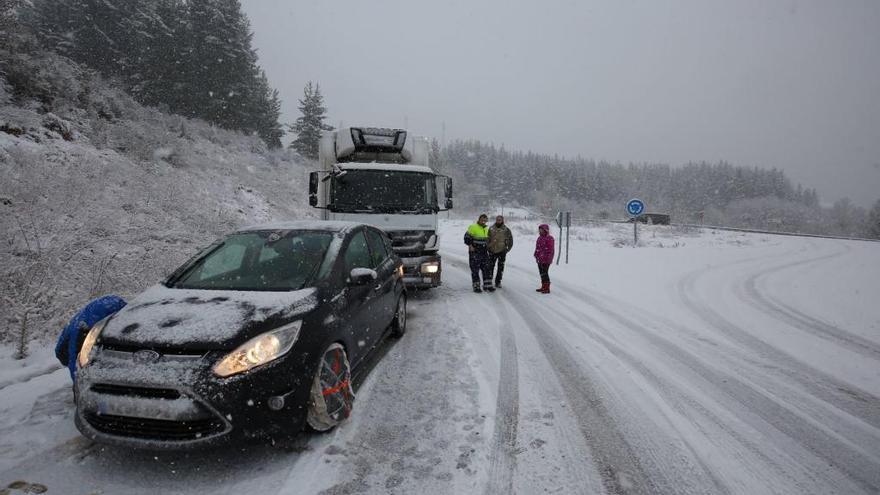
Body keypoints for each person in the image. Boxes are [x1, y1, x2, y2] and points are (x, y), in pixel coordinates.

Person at [55, 295, 127, 382]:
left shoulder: (77, 333)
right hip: (109, 303)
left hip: (102, 312)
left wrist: (76, 384)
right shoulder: (74, 326)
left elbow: (74, 366)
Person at [464, 214, 494, 292]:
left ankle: (487, 285)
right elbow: (466, 237)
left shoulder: (487, 229)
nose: (483, 221)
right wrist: (470, 245)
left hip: (484, 252)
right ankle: (476, 286)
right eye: (482, 220)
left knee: (487, 269)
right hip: (475, 252)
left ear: (486, 221)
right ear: (479, 219)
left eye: (485, 220)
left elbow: (489, 240)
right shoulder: (473, 227)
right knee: (475, 270)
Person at [487, 215, 513, 288]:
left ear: (502, 220)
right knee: (490, 267)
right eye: (497, 219)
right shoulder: (491, 228)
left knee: (500, 268)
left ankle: (498, 282)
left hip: (502, 251)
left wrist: (507, 249)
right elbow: (487, 239)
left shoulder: (506, 230)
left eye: (500, 219)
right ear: (496, 220)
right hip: (492, 251)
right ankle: (489, 280)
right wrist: (488, 247)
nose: (498, 220)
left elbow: (510, 240)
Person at [533, 224, 555, 294]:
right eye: (539, 230)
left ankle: (547, 288)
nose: (540, 231)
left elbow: (550, 250)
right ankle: (543, 286)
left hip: (546, 260)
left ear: (546, 230)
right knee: (541, 273)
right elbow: (537, 248)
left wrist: (547, 258)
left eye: (541, 229)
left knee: (545, 273)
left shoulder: (550, 238)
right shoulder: (539, 238)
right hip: (539, 259)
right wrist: (536, 254)